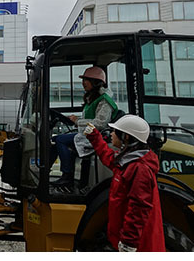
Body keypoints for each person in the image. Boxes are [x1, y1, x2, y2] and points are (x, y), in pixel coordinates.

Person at [83, 115, 165, 252]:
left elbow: (139, 209)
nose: (112, 134)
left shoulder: (139, 169)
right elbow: (108, 157)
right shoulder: (127, 161)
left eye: (115, 131)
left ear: (126, 137)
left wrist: (129, 243)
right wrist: (94, 136)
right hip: (127, 240)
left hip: (139, 246)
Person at [49, 66, 118, 187]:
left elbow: (101, 123)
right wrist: (76, 120)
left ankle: (67, 176)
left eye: (86, 80)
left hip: (97, 137)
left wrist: (78, 121)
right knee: (55, 140)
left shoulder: (105, 101)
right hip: (87, 134)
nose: (83, 83)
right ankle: (47, 171)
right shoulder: (94, 98)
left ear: (95, 82)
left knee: (60, 140)